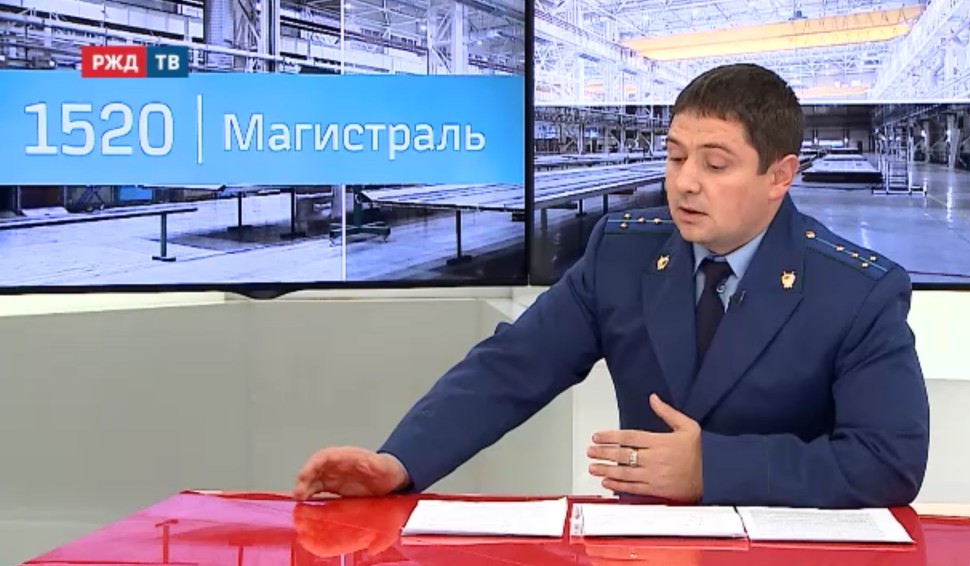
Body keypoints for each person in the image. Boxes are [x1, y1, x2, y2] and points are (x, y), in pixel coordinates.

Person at [293, 63, 930, 508]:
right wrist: (399, 463)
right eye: (675, 156)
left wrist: (714, 469)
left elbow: (887, 461)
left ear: (779, 176)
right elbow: (513, 366)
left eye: (715, 164)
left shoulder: (855, 291)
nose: (684, 182)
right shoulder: (623, 253)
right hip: (645, 545)